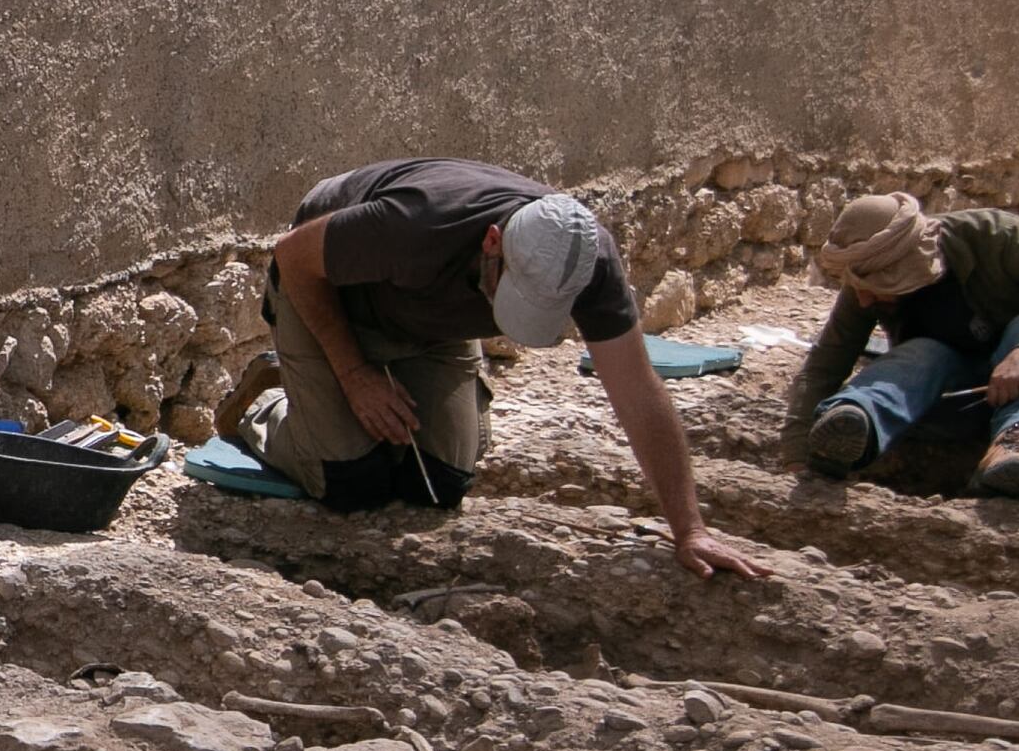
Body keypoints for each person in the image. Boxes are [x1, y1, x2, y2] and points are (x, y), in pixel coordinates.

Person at [243, 158, 766, 578]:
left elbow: (637, 390)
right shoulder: (418, 224)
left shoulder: (586, 261)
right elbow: (294, 258)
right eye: (509, 295)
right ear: (492, 243)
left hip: (429, 325)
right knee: (353, 482)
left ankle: (363, 390)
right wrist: (354, 377)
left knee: (437, 486)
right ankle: (270, 406)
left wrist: (689, 529)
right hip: (328, 292)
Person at [783, 191, 1019, 502]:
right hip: (954, 405)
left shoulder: (998, 237)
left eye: (875, 287)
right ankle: (856, 420)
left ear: (911, 266)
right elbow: (826, 362)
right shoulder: (868, 275)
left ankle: (1017, 445)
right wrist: (797, 456)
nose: (863, 298)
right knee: (923, 352)